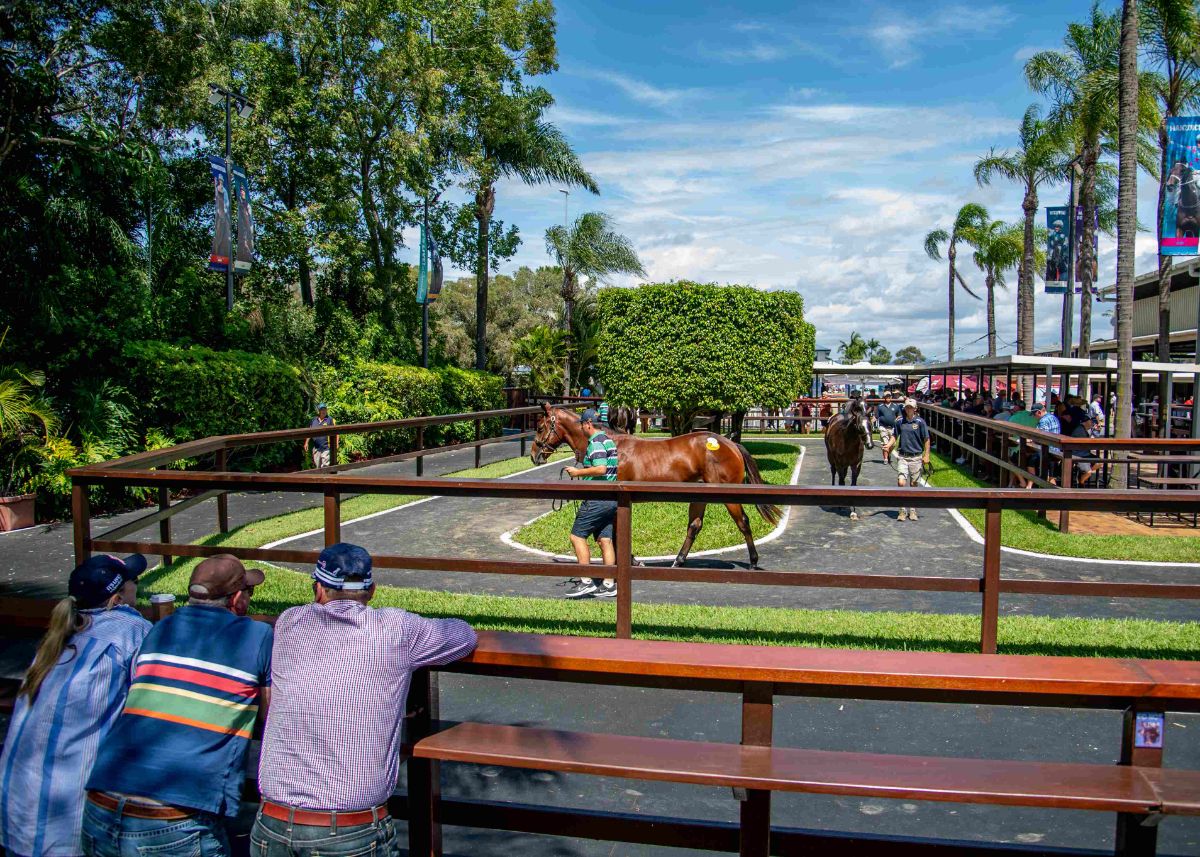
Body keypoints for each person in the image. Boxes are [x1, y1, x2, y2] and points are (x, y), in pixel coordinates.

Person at [253, 544, 476, 857]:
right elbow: (464, 636)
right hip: (350, 830)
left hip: (271, 823)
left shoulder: (290, 623)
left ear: (318, 589)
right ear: (371, 590)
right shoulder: (397, 629)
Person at [83, 556, 271, 857]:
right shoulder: (256, 636)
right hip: (176, 813)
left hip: (101, 802)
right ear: (237, 599)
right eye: (249, 592)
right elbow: (269, 712)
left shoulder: (162, 628)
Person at [0, 556, 150, 857]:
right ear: (117, 597)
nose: (137, 585)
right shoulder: (131, 629)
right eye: (133, 581)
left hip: (17, 804)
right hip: (70, 811)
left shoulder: (59, 635)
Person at [563, 409, 619, 599]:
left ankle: (585, 581)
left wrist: (577, 472)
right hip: (611, 499)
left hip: (596, 499)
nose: (581, 428)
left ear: (588, 424)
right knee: (605, 540)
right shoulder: (608, 440)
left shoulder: (595, 443)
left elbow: (601, 468)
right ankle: (609, 584)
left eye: (581, 424)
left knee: (577, 537)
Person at [894, 398, 930, 522]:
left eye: (911, 407)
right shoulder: (900, 421)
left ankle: (913, 509)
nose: (909, 409)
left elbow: (926, 439)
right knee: (901, 482)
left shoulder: (920, 422)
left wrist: (927, 455)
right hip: (903, 456)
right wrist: (888, 445)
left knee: (914, 484)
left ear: (915, 409)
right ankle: (902, 510)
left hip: (916, 457)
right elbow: (895, 436)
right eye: (907, 407)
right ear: (905, 408)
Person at [1033, 402, 1062, 486]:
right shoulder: (1054, 417)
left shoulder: (1043, 421)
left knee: (1030, 462)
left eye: (1034, 414)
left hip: (1047, 451)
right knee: (1052, 477)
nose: (1034, 417)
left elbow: (1043, 436)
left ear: (1039, 412)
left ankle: (1029, 485)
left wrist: (1032, 440)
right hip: (1056, 450)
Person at [304, 403, 335, 469]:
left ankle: (325, 475)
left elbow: (335, 432)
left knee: (325, 466)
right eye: (322, 409)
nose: (324, 411)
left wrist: (335, 444)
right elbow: (309, 432)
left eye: (325, 409)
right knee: (317, 467)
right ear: (319, 411)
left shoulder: (329, 419)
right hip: (316, 448)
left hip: (326, 448)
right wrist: (306, 443)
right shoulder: (313, 420)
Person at [875, 392, 900, 464]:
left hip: (893, 427)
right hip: (883, 427)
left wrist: (896, 419)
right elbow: (876, 416)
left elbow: (899, 415)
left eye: (889, 396)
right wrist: (870, 422)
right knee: (885, 443)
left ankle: (889, 454)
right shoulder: (880, 406)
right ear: (884, 397)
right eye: (886, 396)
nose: (888, 398)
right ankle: (885, 459)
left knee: (893, 444)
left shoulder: (896, 406)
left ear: (891, 397)